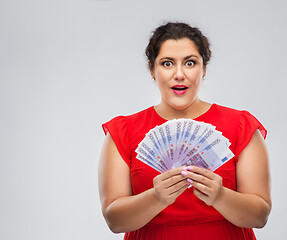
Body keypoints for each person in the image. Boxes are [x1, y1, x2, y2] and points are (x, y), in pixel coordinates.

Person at [98, 22, 271, 240]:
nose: (179, 74)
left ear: (204, 69)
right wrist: (156, 197)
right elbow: (114, 221)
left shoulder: (241, 126)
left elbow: (260, 216)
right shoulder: (122, 131)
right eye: (167, 63)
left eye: (190, 63)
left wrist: (219, 195)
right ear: (152, 70)